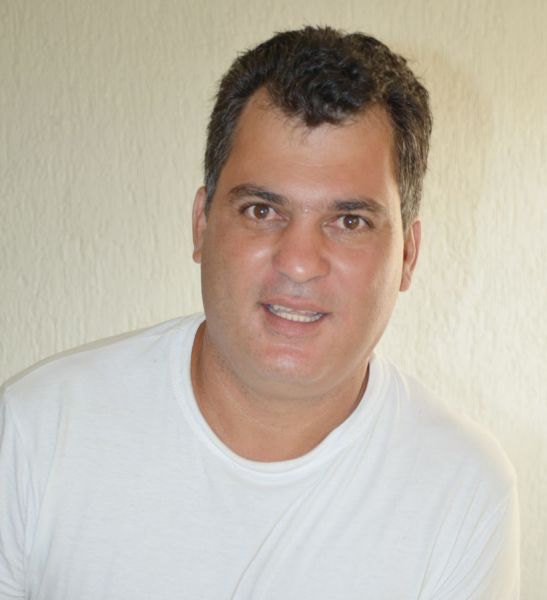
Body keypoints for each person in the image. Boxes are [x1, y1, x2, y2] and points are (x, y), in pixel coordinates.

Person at [0, 26, 519, 599]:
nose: (298, 263)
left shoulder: (462, 490)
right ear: (201, 225)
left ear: (408, 256)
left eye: (350, 221)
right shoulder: (35, 434)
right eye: (262, 210)